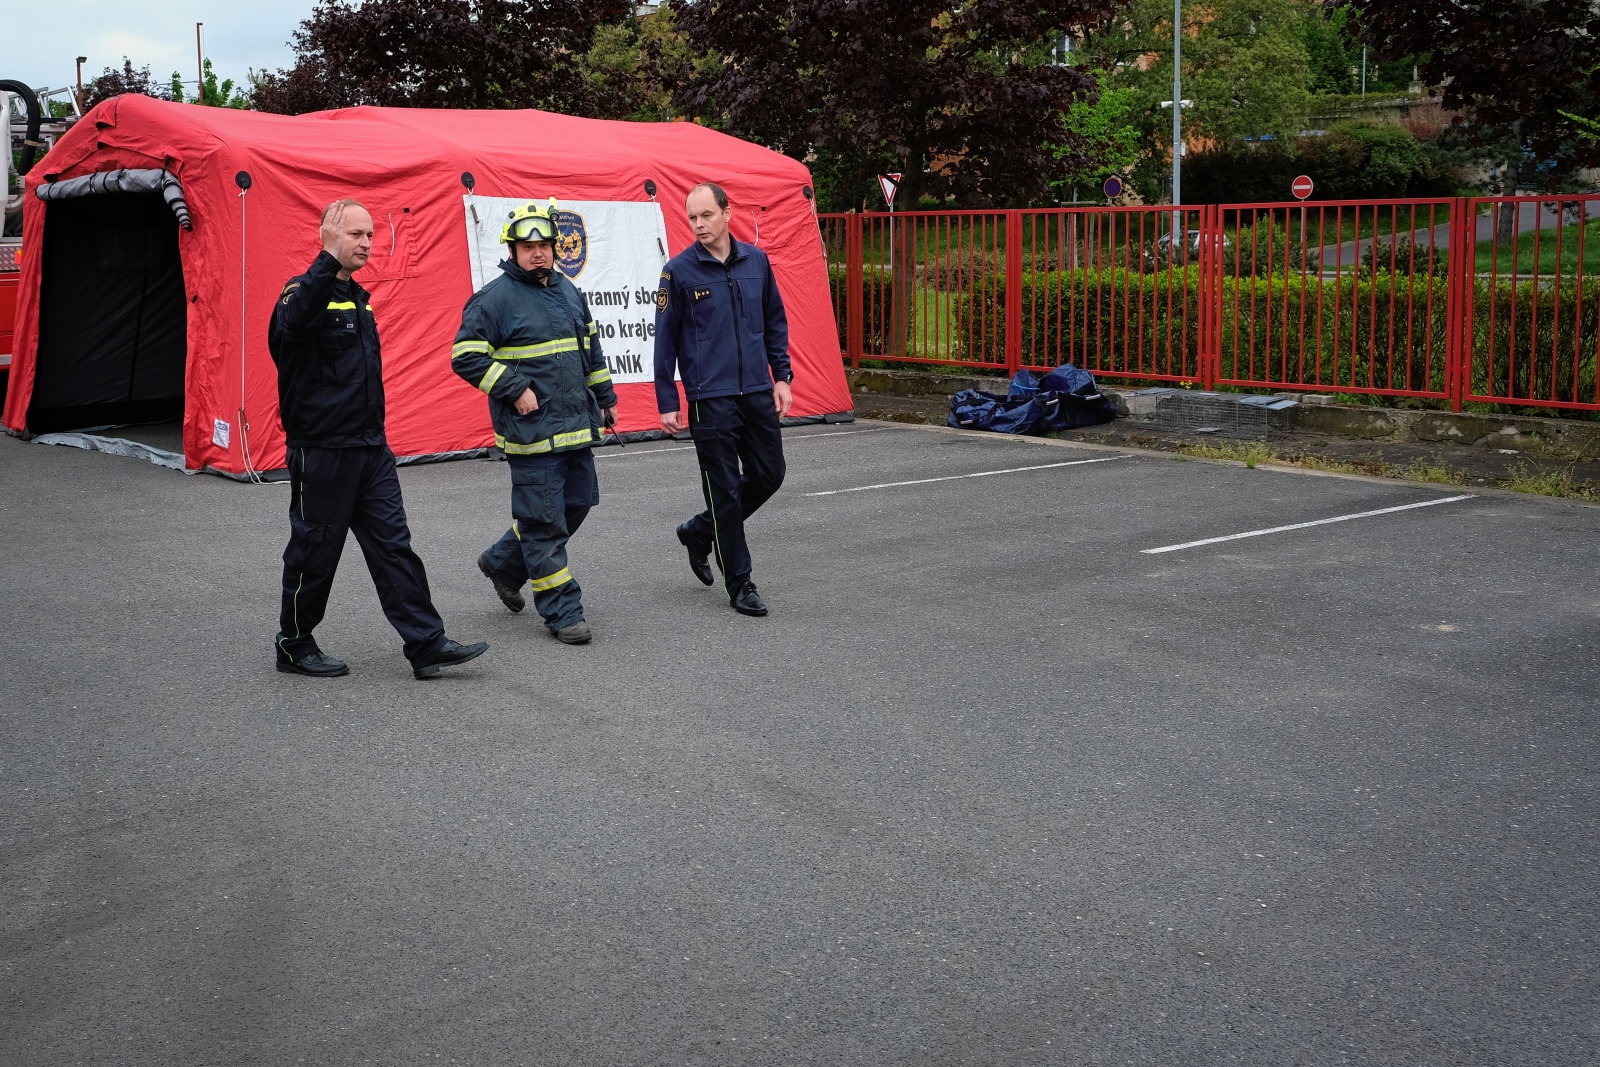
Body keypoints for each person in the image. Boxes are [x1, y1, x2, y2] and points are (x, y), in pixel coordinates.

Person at [268, 199, 488, 680]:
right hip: (322, 450)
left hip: (370, 448)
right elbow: (296, 327)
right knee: (316, 551)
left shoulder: (358, 298)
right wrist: (326, 263)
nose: (366, 243)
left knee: (395, 548)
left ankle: (426, 643)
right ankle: (294, 643)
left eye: (370, 235)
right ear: (328, 236)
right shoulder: (300, 294)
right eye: (355, 235)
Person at [451, 199, 619, 644]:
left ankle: (504, 562)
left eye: (544, 244)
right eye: (527, 246)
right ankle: (563, 612)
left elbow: (590, 349)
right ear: (512, 250)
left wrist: (605, 396)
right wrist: (513, 387)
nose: (538, 252)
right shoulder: (494, 299)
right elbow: (464, 356)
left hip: (576, 427)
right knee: (544, 522)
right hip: (532, 434)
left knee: (575, 505)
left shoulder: (567, 292)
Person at [654, 182, 793, 617]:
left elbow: (774, 321)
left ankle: (699, 530)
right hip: (708, 398)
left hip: (754, 390)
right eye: (692, 217)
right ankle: (741, 583)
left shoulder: (758, 261)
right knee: (725, 491)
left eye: (706, 215)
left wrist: (782, 375)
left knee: (770, 474)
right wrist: (666, 397)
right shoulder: (677, 272)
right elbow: (665, 339)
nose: (698, 224)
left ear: (727, 212)